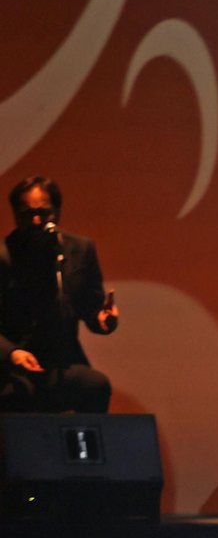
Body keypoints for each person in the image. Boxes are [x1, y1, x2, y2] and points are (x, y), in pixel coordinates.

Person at [0, 177, 118, 414]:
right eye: (27, 213)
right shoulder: (3, 255)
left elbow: (91, 308)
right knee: (16, 397)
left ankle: (88, 450)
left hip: (61, 363)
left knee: (95, 385)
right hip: (10, 366)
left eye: (43, 212)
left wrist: (103, 321)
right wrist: (12, 353)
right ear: (15, 214)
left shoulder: (79, 249)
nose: (36, 220)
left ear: (56, 211)